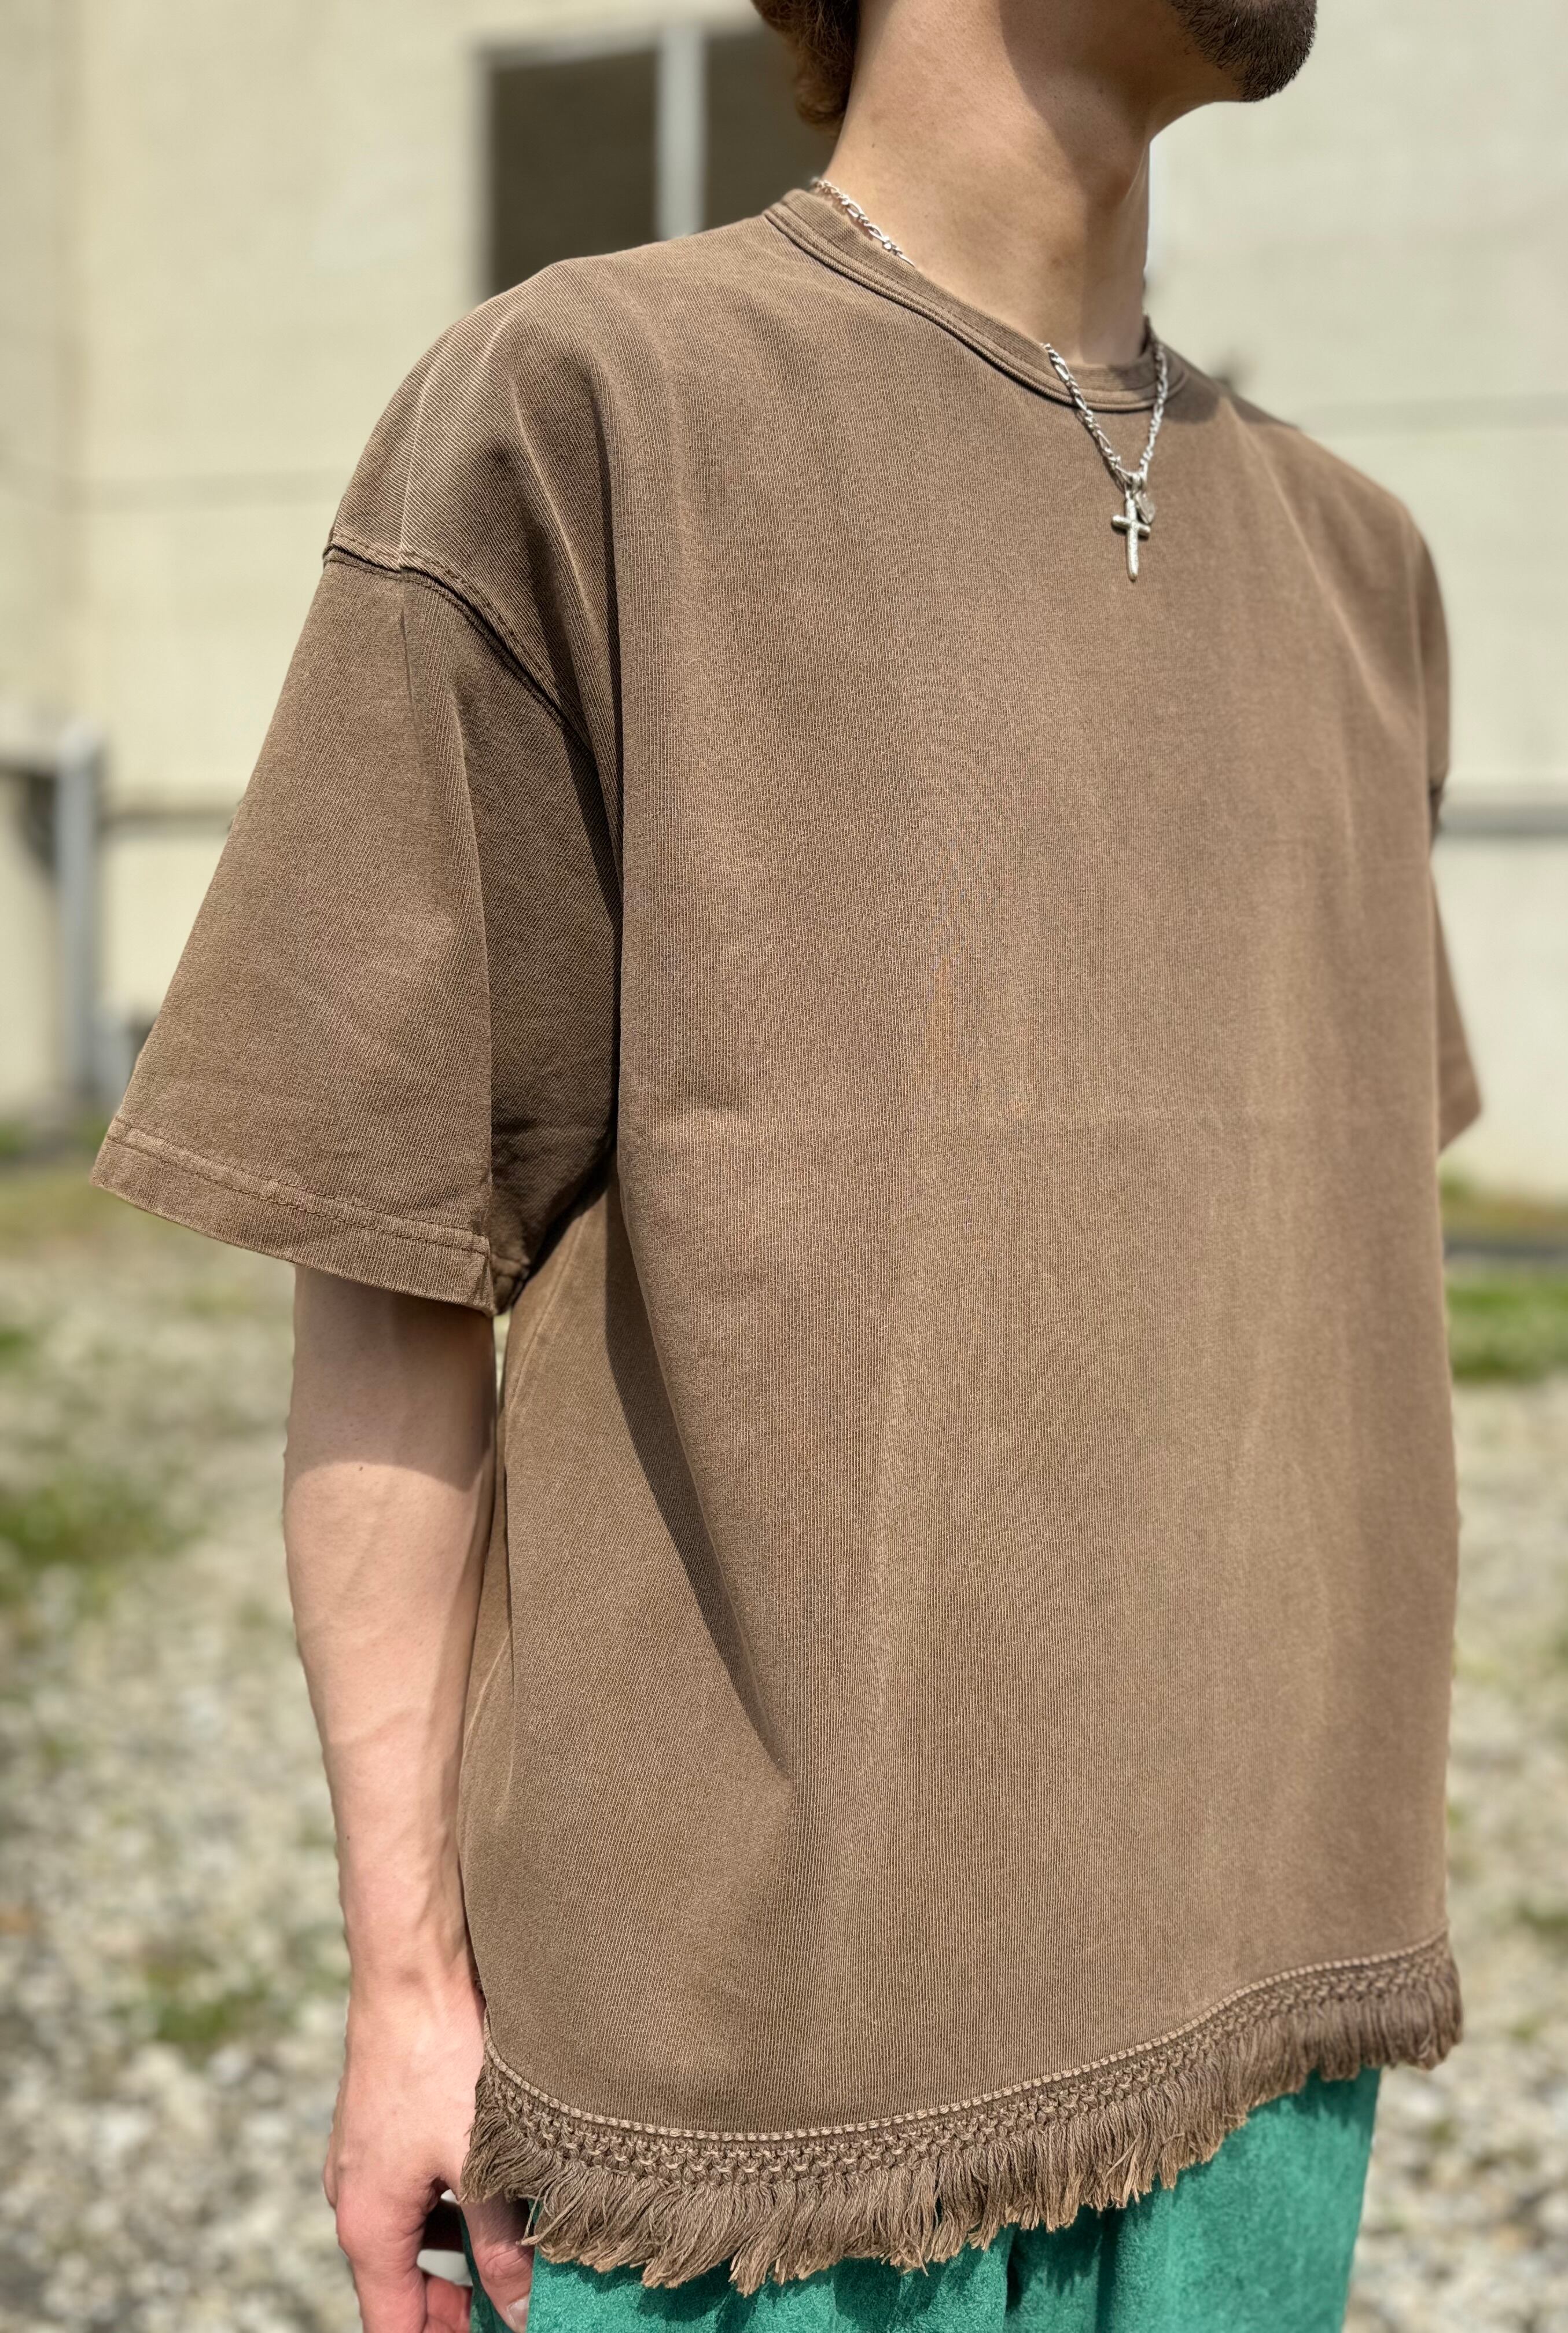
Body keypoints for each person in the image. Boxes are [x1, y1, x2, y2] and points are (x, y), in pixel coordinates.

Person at [91, 0, 1482, 2324]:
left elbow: (1297, 1252)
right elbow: (394, 1256)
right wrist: (410, 1983)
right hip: (750, 2132)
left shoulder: (1362, 570)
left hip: (1272, 2041)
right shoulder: (586, 418)